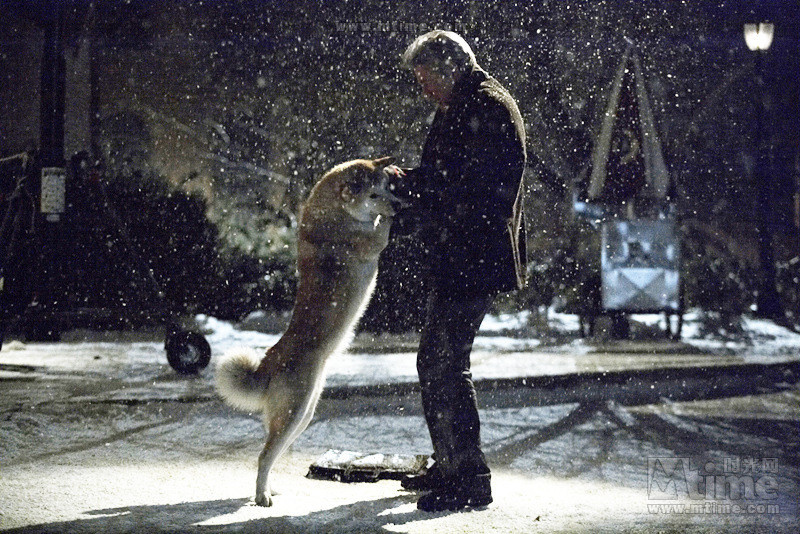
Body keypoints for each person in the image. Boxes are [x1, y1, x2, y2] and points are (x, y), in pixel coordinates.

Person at [390, 30, 527, 512]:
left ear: (449, 69)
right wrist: (409, 182)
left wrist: (420, 198)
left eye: (426, 78)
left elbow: (475, 190)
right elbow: (447, 176)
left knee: (443, 362)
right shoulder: (465, 104)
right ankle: (451, 463)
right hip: (463, 255)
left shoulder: (486, 107)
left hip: (472, 257)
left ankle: (468, 476)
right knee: (440, 361)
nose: (423, 88)